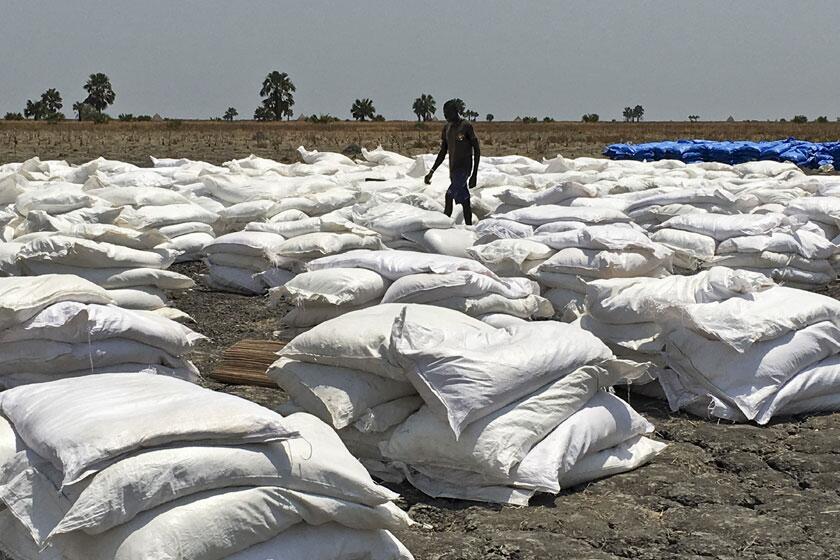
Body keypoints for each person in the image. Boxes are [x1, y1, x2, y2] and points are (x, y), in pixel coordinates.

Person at [424, 99, 480, 225]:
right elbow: (443, 152)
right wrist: (431, 171)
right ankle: (470, 228)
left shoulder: (466, 126)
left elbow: (476, 149)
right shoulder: (447, 128)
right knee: (464, 200)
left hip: (464, 169)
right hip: (453, 170)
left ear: (456, 112)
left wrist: (474, 174)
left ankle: (443, 225)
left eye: (447, 112)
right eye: (444, 113)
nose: (445, 115)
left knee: (449, 195)